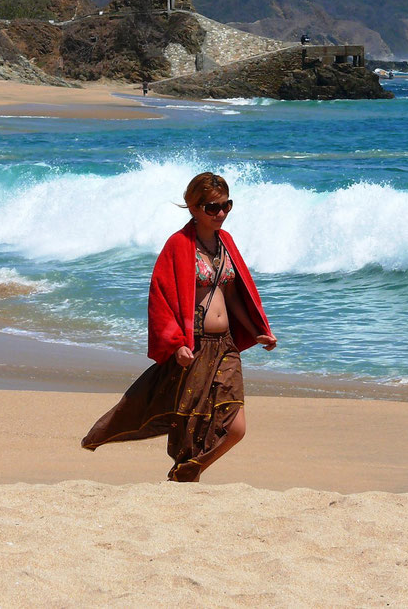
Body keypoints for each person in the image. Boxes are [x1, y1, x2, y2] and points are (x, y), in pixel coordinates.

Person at [82, 172, 277, 481]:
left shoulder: (226, 243)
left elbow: (232, 294)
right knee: (193, 424)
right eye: (212, 208)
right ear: (193, 207)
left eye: (226, 205)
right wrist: (175, 343)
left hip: (225, 345)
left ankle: (190, 470)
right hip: (194, 346)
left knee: (236, 427)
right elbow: (161, 298)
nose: (221, 214)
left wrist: (256, 329)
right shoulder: (178, 244)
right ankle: (187, 473)